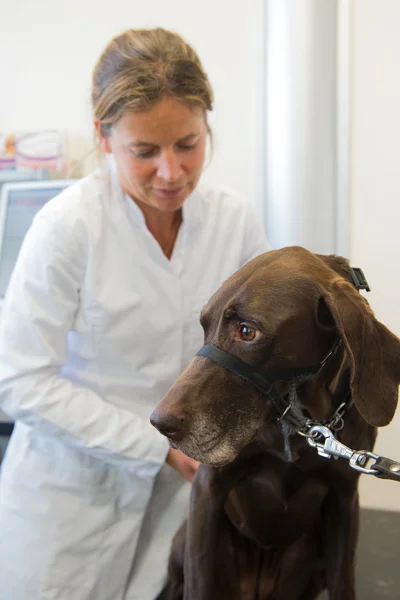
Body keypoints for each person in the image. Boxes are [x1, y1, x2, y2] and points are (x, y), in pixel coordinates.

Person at [0, 27, 270, 600]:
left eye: (188, 144)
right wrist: (157, 447)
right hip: (69, 501)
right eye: (144, 152)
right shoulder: (67, 228)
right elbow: (18, 380)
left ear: (206, 125)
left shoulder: (233, 221)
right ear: (104, 137)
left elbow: (255, 349)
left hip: (181, 502)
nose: (171, 172)